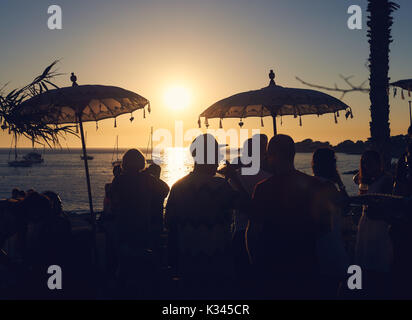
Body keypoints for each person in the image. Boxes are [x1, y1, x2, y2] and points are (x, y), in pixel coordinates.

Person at [246, 135, 338, 299]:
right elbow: (325, 228)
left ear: (273, 155)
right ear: (292, 154)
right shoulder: (316, 186)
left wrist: (255, 262)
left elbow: (253, 232)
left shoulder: (262, 189)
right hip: (305, 264)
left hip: (271, 266)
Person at [165, 134, 240, 298]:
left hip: (188, 262)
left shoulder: (178, 186)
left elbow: (169, 222)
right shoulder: (221, 187)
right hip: (219, 263)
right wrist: (234, 178)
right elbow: (249, 206)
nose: (219, 158)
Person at [110, 149, 169, 297]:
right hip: (143, 225)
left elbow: (112, 198)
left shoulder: (119, 180)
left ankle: (122, 291)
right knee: (144, 262)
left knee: (124, 263)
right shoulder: (147, 179)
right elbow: (165, 190)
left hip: (124, 225)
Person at [227, 135, 271, 286]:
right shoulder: (270, 179)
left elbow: (233, 206)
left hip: (240, 233)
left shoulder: (235, 176)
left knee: (243, 283)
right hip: (266, 233)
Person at [354, 150, 394, 298]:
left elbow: (388, 204)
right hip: (366, 223)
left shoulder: (386, 180)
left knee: (378, 262)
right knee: (363, 261)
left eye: (369, 161)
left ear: (379, 163)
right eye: (364, 162)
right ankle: (364, 291)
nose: (366, 164)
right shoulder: (367, 180)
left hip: (379, 226)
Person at [311, 148, 350, 296]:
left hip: (316, 244)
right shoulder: (328, 187)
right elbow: (345, 205)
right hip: (330, 244)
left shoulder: (310, 183)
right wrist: (339, 181)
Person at [143, 164, 170, 255]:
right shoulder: (164, 186)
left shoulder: (143, 185)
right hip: (157, 219)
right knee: (157, 246)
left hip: (146, 220)